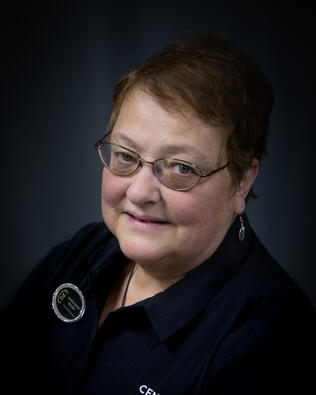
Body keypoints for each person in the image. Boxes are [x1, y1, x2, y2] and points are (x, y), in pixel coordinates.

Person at [1, 34, 315, 395]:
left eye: (180, 168)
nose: (139, 192)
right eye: (125, 156)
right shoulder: (82, 254)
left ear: (242, 180)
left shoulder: (271, 340)